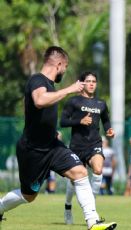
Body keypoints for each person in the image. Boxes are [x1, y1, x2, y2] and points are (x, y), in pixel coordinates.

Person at [0, 46, 116, 230]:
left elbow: (41, 115)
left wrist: (51, 132)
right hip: (33, 151)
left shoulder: (50, 85)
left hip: (52, 146)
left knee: (80, 172)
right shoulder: (37, 80)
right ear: (59, 64)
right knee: (28, 196)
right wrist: (70, 89)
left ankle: (93, 222)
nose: (65, 70)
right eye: (65, 66)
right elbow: (39, 101)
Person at [60, 71, 115, 225]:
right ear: (82, 83)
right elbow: (63, 122)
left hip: (94, 144)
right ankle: (68, 206)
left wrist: (109, 130)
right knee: (74, 181)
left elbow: (106, 121)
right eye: (88, 81)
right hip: (76, 146)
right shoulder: (74, 102)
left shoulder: (101, 104)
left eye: (94, 81)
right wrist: (79, 121)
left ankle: (91, 208)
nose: (91, 84)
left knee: (98, 170)